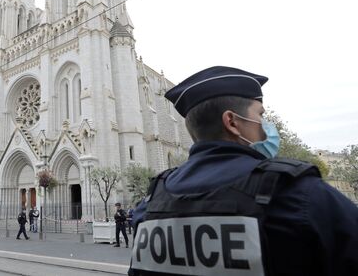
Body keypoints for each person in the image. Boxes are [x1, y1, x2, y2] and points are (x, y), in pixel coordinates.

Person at [128, 66, 358, 276]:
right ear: (232, 122)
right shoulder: (302, 196)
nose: (266, 126)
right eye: (260, 114)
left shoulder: (149, 207)